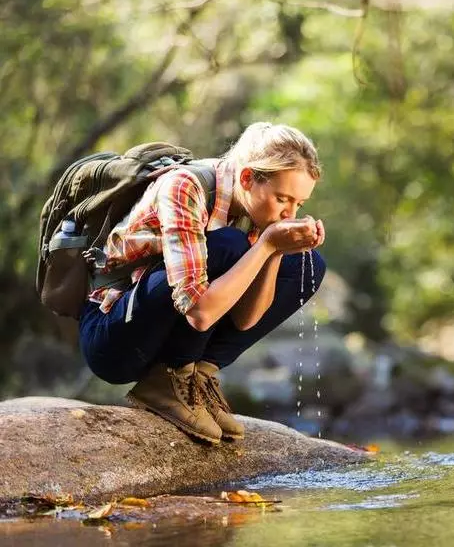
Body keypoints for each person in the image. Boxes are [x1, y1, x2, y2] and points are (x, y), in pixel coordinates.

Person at [78, 122, 326, 444]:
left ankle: (198, 378)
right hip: (113, 337)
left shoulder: (253, 211)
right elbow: (200, 314)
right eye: (282, 199)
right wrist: (265, 245)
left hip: (163, 329)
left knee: (307, 263)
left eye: (298, 205)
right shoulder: (184, 187)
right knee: (230, 245)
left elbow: (245, 320)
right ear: (247, 178)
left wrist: (276, 251)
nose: (289, 214)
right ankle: (172, 376)